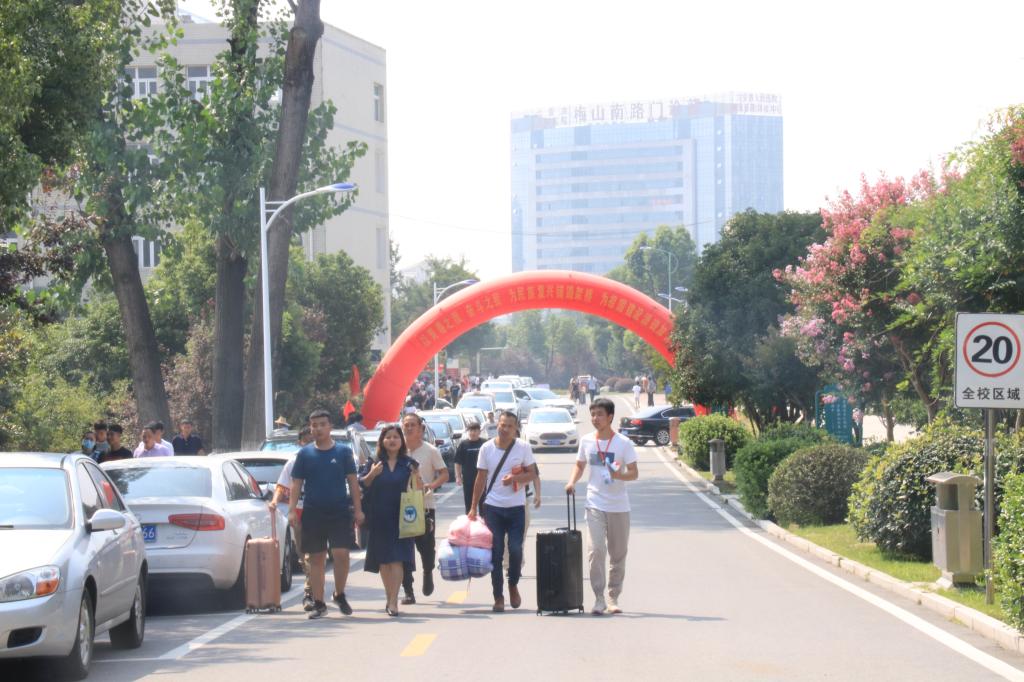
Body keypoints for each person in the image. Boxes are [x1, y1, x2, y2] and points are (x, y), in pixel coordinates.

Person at [565, 397, 639, 615]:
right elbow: (579, 465)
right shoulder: (587, 441)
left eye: (599, 414)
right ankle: (599, 598)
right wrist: (572, 482)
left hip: (619, 506)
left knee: (618, 554)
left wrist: (618, 475)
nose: (595, 418)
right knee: (596, 550)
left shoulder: (623, 443)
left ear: (610, 417)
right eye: (593, 414)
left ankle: (613, 596)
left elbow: (634, 473)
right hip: (594, 503)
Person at [289, 410, 364, 619]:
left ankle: (339, 594)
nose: (318, 429)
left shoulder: (343, 452)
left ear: (330, 426)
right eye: (314, 425)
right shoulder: (305, 454)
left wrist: (358, 510)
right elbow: (296, 484)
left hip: (339, 511)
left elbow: (353, 482)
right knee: (316, 558)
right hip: (313, 512)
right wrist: (292, 510)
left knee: (341, 554)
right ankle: (319, 602)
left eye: (322, 424)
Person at [468, 410, 537, 612]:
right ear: (497, 425)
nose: (505, 429)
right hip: (493, 508)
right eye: (502, 425)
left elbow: (532, 473)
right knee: (495, 553)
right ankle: (498, 597)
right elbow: (480, 478)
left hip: (516, 508)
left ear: (516, 429)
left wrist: (515, 479)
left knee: (515, 549)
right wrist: (473, 507)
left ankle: (513, 583)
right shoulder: (486, 448)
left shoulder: (523, 447)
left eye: (509, 426)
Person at [359, 423, 421, 616]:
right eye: (388, 437)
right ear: (382, 441)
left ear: (401, 441)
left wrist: (416, 477)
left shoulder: (409, 464)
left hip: (403, 517)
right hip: (379, 516)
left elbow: (419, 489)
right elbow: (363, 484)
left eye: (395, 437)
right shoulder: (374, 461)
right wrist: (372, 474)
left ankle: (393, 601)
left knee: (398, 560)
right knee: (384, 561)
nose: (392, 440)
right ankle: (390, 598)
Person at [399, 412, 448, 604]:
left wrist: (431, 486)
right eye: (406, 424)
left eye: (413, 425)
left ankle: (428, 571)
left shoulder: (430, 450)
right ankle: (408, 590)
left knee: (426, 547)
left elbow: (444, 474)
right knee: (403, 550)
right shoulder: (397, 450)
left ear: (420, 429)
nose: (409, 428)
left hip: (424, 505)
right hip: (402, 507)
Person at [270, 427, 314, 609]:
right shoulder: (293, 462)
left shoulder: (323, 458)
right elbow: (282, 486)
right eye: (306, 440)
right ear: (300, 442)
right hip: (298, 511)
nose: (310, 443)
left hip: (318, 510)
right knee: (303, 551)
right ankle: (310, 582)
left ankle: (310, 591)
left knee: (314, 553)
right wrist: (274, 502)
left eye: (312, 440)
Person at [454, 421, 485, 513]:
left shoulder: (485, 443)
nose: (473, 433)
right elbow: (457, 462)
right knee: (469, 505)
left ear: (479, 431)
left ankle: (484, 521)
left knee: (484, 505)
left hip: (483, 479)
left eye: (475, 430)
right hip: (468, 479)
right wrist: (458, 477)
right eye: (470, 430)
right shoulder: (463, 444)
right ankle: (470, 520)